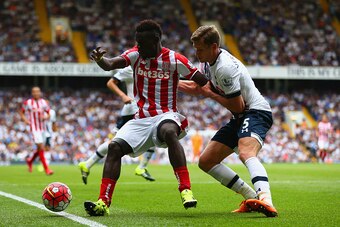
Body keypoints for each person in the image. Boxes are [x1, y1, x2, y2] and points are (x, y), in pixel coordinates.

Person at [84, 20, 208, 216]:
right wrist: (100, 60)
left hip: (166, 115)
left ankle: (185, 189)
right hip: (140, 119)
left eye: (142, 43)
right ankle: (103, 202)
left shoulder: (175, 59)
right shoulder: (135, 55)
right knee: (114, 147)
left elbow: (202, 80)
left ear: (156, 40)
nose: (138, 47)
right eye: (137, 43)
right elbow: (110, 65)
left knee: (169, 131)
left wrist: (218, 82)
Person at [179, 25, 278, 217]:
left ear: (213, 46)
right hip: (241, 116)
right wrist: (168, 82)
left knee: (246, 151)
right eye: (195, 48)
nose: (196, 53)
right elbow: (197, 87)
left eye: (200, 49)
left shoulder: (224, 67)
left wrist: (210, 94)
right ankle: (251, 197)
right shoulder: (208, 63)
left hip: (256, 112)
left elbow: (238, 106)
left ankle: (265, 198)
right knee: (207, 161)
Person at [78, 66, 156, 184]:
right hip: (133, 109)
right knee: (117, 142)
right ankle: (141, 167)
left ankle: (88, 164)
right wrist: (123, 95)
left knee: (152, 134)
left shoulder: (149, 67)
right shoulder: (130, 68)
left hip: (142, 109)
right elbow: (110, 83)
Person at [19, 86, 54, 175]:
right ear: (32, 93)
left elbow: (49, 113)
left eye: (38, 91)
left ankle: (30, 161)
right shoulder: (28, 102)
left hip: (43, 128)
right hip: (34, 128)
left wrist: (46, 117)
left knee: (40, 148)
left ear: (40, 92)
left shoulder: (43, 102)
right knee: (41, 147)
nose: (36, 93)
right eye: (34, 92)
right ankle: (47, 169)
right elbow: (21, 112)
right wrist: (25, 120)